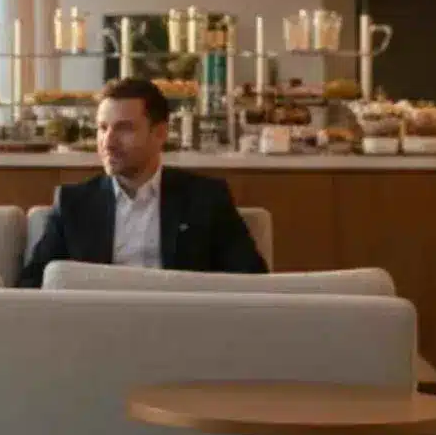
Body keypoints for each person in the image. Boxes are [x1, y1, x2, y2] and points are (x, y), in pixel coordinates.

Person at [19, 77, 267, 287]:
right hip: (98, 332)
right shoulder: (74, 204)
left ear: (159, 133)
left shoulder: (205, 199)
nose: (108, 142)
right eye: (103, 128)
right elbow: (30, 288)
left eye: (124, 129)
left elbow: (252, 282)